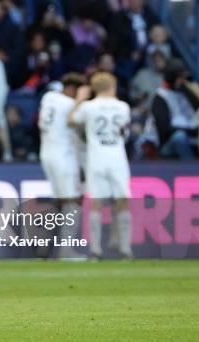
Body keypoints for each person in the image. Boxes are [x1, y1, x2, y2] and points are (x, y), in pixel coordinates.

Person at [68, 72, 133, 260]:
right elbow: (124, 129)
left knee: (96, 203)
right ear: (112, 86)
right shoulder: (123, 107)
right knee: (122, 201)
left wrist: (80, 99)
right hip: (117, 158)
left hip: (96, 158)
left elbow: (71, 120)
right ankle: (125, 249)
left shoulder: (89, 107)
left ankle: (95, 250)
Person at [38, 73, 87, 258]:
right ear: (73, 89)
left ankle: (45, 247)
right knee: (73, 201)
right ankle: (66, 250)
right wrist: (81, 100)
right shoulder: (70, 105)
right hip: (63, 156)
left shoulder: (49, 97)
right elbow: (77, 120)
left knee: (59, 202)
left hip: (47, 154)